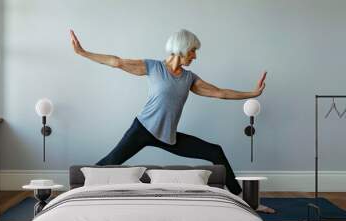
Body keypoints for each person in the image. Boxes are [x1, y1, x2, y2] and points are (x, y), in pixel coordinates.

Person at [70, 28, 267, 196]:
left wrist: (252, 93)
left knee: (215, 151)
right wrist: (83, 52)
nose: (195, 56)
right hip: (143, 129)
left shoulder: (189, 78)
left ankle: (240, 198)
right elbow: (117, 62)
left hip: (167, 136)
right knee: (110, 163)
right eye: (192, 51)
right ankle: (74, 194)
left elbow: (220, 93)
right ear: (181, 49)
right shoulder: (154, 67)